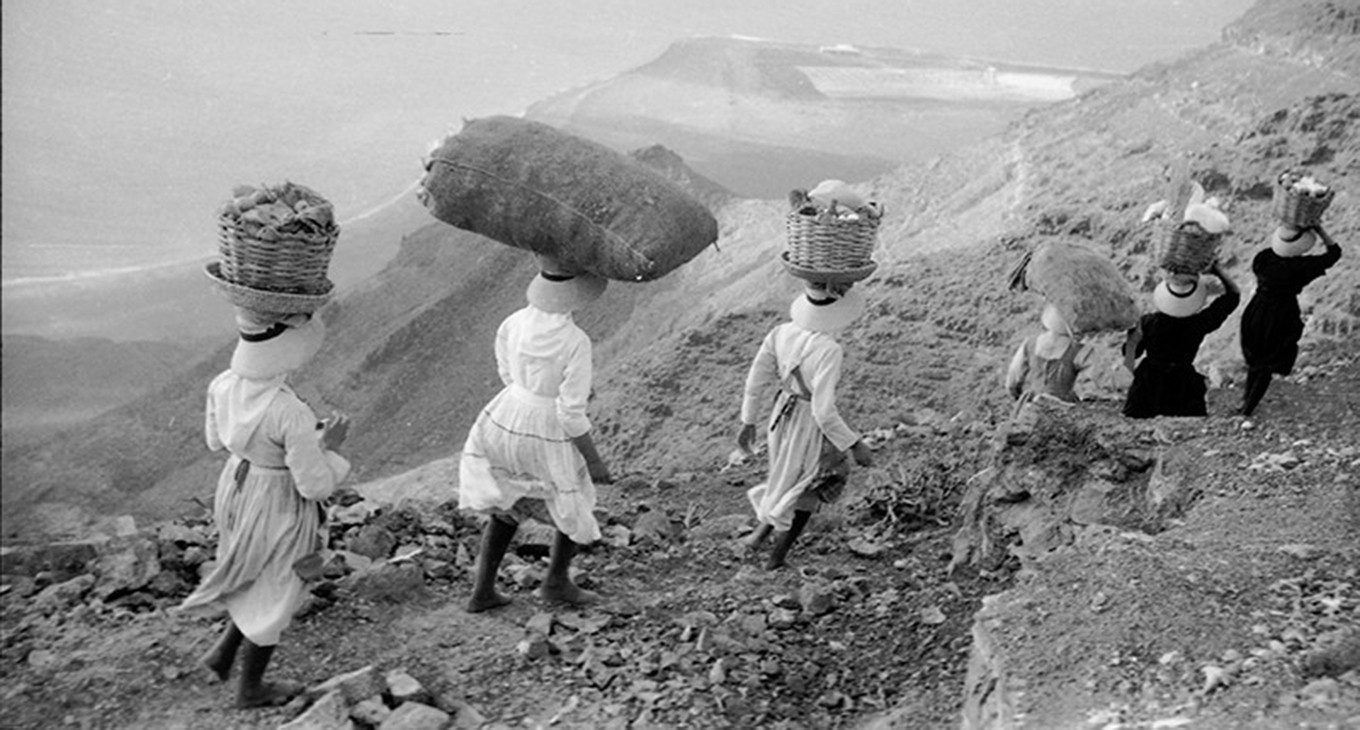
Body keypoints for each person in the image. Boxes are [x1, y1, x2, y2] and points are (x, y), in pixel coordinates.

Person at [179, 309, 351, 708]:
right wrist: (331, 448)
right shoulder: (290, 411)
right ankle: (251, 688)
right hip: (277, 499)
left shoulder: (223, 384)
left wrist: (289, 444)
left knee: (253, 573)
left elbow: (215, 441)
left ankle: (222, 656)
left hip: (238, 485)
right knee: (275, 588)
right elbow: (313, 485)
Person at [458, 260, 613, 613]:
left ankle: (482, 590)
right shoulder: (576, 341)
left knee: (506, 506)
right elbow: (571, 412)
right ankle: (556, 581)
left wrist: (527, 395)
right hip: (547, 425)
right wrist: (594, 460)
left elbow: (506, 370)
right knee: (572, 497)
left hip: (504, 417)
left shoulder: (513, 322)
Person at [736, 281, 873, 570]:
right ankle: (776, 557)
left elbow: (755, 380)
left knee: (783, 475)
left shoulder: (780, 333)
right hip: (807, 422)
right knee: (810, 486)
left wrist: (748, 421)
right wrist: (855, 444)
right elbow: (823, 411)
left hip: (780, 414)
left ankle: (758, 537)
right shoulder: (829, 350)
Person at [1238, 224, 1343, 417]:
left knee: (1255, 359)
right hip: (1281, 314)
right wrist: (1319, 229)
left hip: (1257, 309)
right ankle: (1248, 408)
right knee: (1268, 363)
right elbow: (1334, 253)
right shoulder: (1300, 267)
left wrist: (1288, 227)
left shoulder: (1264, 259)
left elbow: (1275, 250)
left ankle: (1245, 402)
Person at [1122, 263, 1240, 418]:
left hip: (1149, 384)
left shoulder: (1148, 322)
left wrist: (1131, 332)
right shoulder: (1198, 324)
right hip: (1182, 384)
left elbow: (1131, 353)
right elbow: (1233, 295)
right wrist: (1216, 270)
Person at [1005, 303, 1092, 404]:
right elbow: (1089, 387)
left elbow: (1013, 380)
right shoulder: (1078, 350)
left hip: (1031, 406)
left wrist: (1018, 398)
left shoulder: (1030, 344)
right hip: (1062, 410)